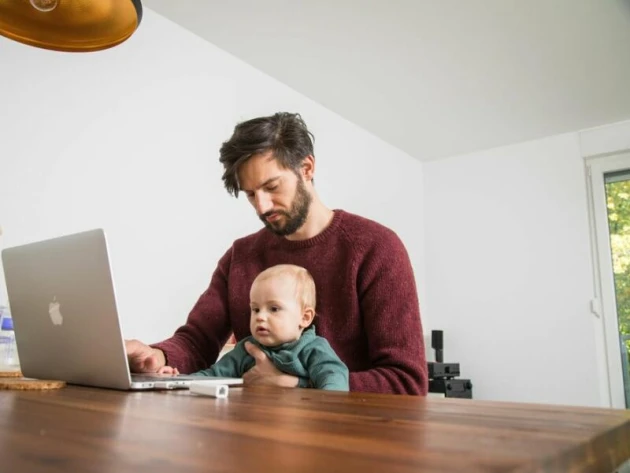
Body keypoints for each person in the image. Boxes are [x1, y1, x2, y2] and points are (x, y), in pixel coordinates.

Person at [125, 112, 428, 395]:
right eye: (251, 194)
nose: (262, 206)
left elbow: (407, 382)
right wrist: (158, 356)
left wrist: (295, 385)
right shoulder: (240, 256)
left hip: (349, 439)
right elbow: (197, 339)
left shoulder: (376, 248)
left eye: (272, 187)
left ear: (307, 168)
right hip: (256, 436)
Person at [162, 264, 349, 391]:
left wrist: (295, 384)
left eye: (274, 309)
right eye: (255, 309)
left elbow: (334, 381)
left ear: (305, 317)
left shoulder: (314, 349)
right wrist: (177, 380)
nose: (260, 317)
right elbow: (213, 376)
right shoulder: (247, 349)